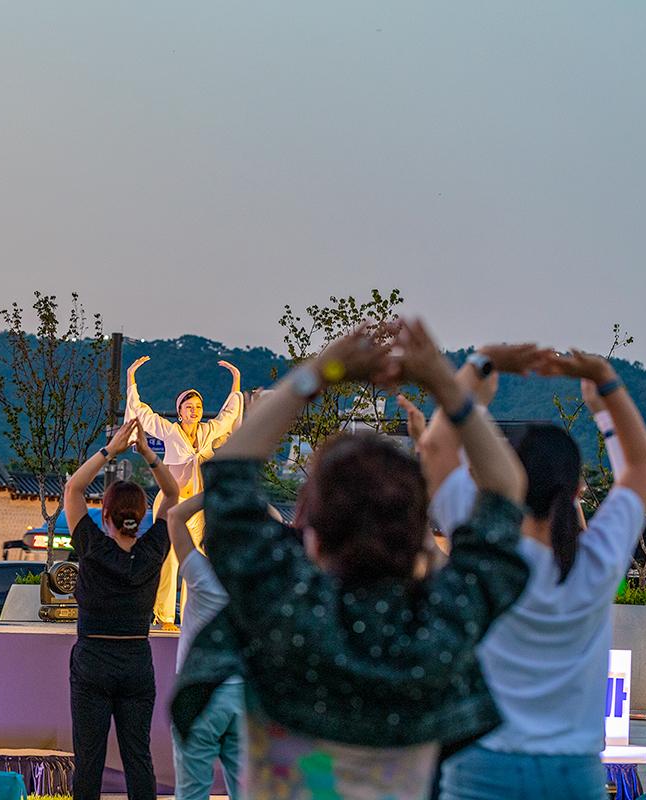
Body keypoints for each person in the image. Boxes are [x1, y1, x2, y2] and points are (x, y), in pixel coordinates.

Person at [173, 320, 530, 800]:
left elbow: (228, 474)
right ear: (418, 538)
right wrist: (444, 382)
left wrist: (320, 372)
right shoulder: (441, 625)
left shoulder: (284, 608)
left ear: (312, 535)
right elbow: (506, 492)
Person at [419, 346, 646, 800]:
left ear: (506, 477)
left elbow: (435, 448)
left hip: (483, 764)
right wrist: (603, 389)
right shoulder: (597, 558)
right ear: (579, 488)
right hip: (573, 771)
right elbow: (640, 465)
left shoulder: (484, 551)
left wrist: (478, 371)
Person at [63, 419, 181, 800]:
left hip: (93, 658)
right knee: (137, 757)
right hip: (136, 660)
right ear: (143, 514)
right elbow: (174, 493)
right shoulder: (153, 550)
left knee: (89, 760)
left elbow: (74, 487)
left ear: (106, 515)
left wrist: (109, 449)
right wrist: (148, 453)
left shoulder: (93, 547)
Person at [124, 356, 242, 627]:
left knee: (197, 560)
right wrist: (131, 377)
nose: (195, 411)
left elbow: (229, 416)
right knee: (170, 560)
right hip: (172, 504)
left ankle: (193, 614)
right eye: (189, 407)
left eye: (198, 406)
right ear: (180, 411)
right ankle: (164, 615)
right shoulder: (170, 431)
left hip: (199, 505)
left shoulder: (209, 431)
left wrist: (235, 382)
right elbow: (142, 413)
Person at [167, 492, 244, 800]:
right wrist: (245, 488)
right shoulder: (255, 581)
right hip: (243, 694)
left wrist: (215, 486)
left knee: (192, 791)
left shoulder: (201, 574)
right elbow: (277, 523)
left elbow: (174, 516)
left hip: (199, 695)